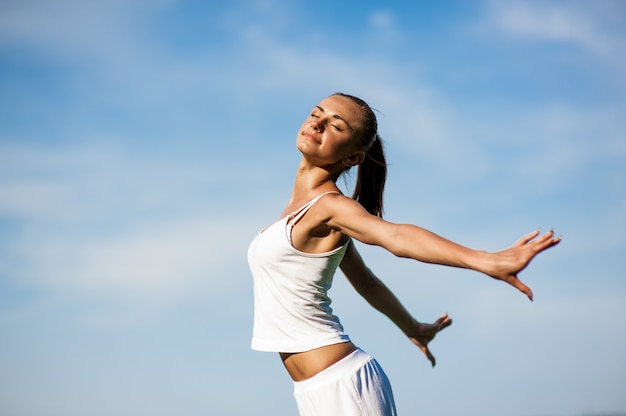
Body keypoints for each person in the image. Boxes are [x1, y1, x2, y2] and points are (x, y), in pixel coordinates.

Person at [247, 92, 561, 415]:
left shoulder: (331, 208)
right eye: (317, 113)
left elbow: (395, 235)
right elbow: (366, 282)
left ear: (353, 158)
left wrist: (485, 260)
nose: (319, 123)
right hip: (312, 390)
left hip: (343, 386)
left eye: (336, 125)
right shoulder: (296, 214)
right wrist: (412, 326)